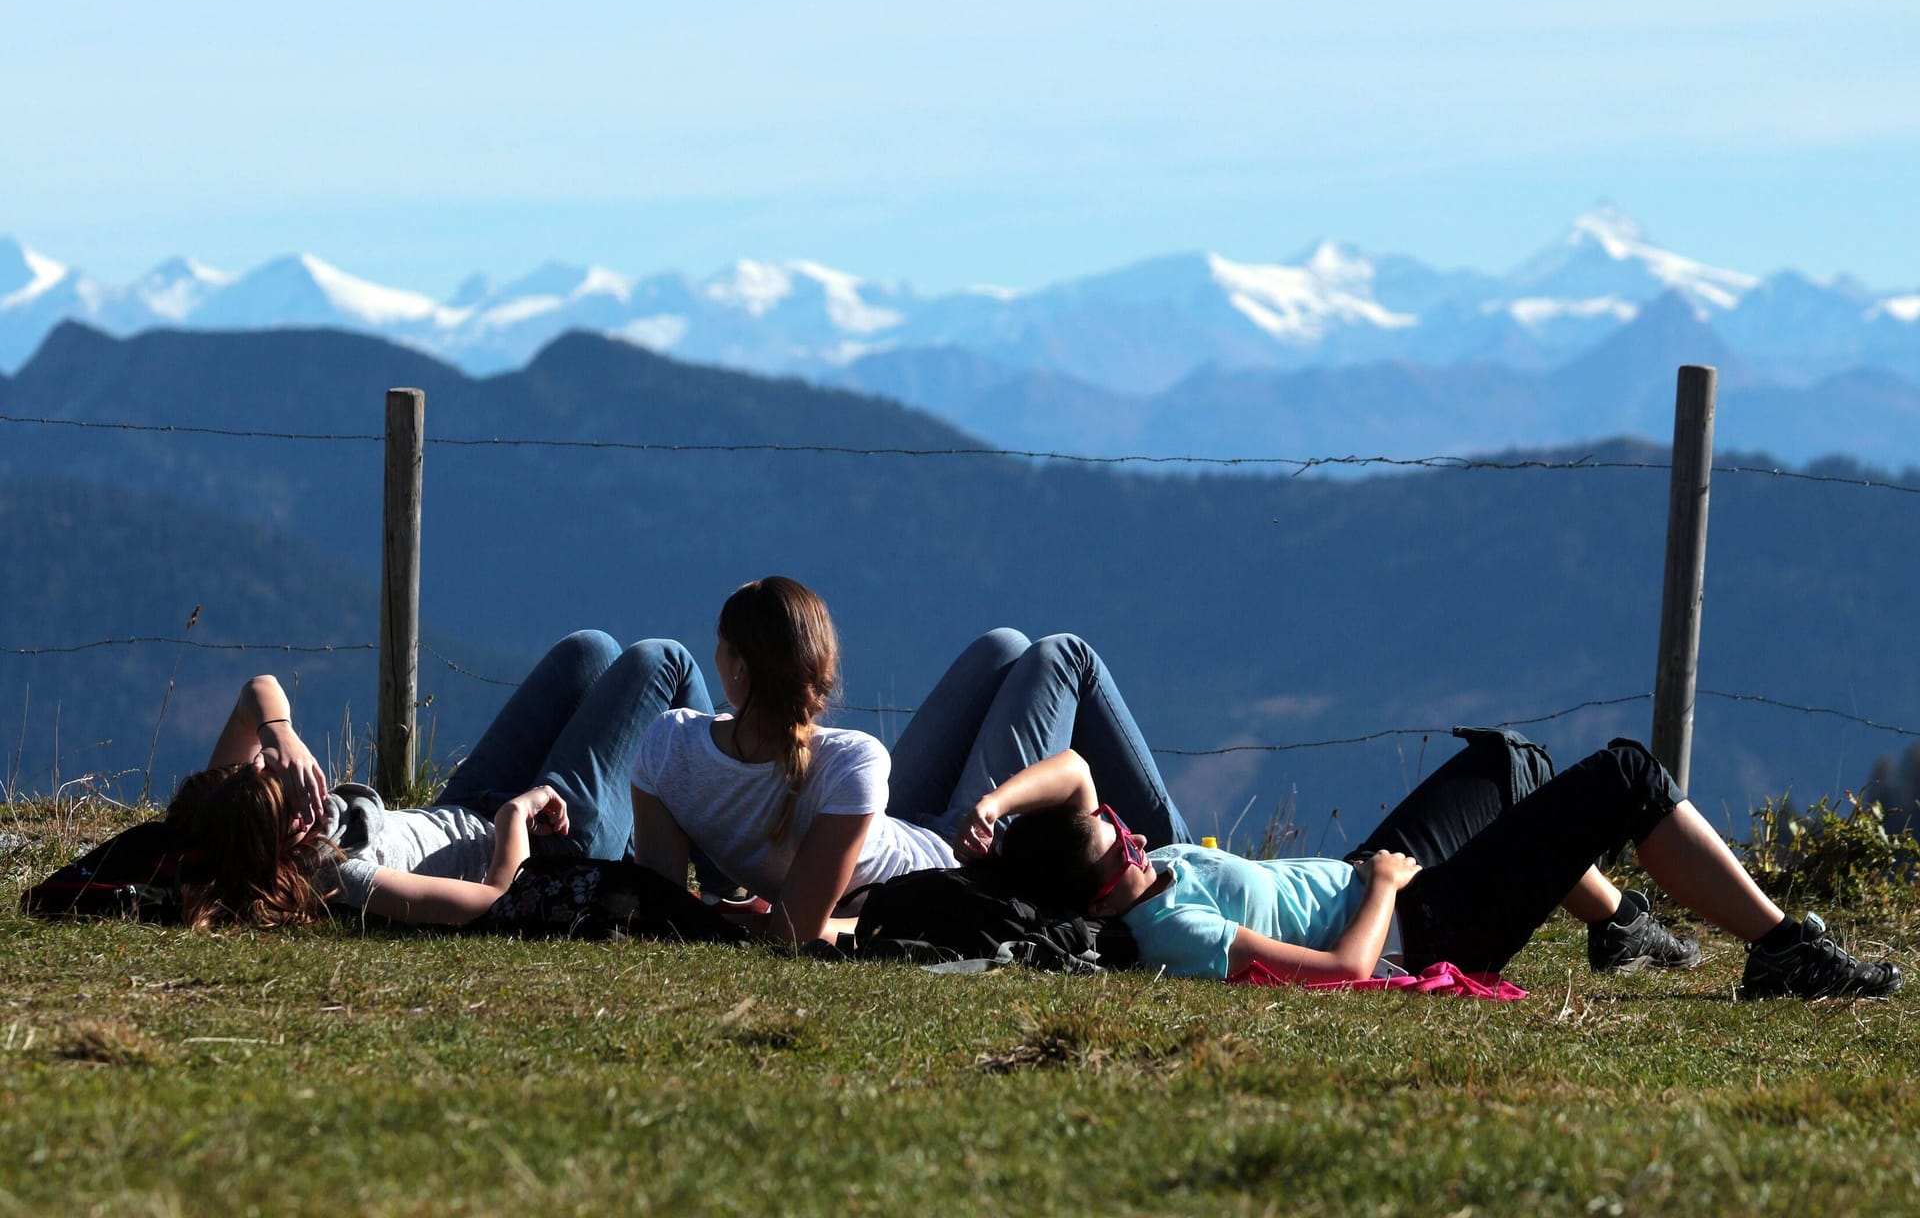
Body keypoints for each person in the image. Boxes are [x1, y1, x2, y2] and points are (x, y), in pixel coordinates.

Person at [989, 735, 1903, 1001]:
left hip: (1366, 879)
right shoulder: (1172, 934)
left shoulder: (1131, 876)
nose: (1134, 833)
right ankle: (1782, 951)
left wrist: (992, 811)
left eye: (1120, 822)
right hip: (1411, 924)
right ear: (1106, 891)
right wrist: (1386, 885)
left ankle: (1618, 927)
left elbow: (1073, 775)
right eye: (1121, 843)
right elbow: (1345, 974)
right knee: (1626, 775)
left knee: (1510, 766)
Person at [630, 577, 1192, 945]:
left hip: (887, 823)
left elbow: (661, 904)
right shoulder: (847, 760)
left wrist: (728, 911)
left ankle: (1174, 865)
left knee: (1003, 646)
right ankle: (1181, 864)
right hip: (949, 859)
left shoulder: (666, 746)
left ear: (740, 671)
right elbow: (798, 933)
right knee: (1061, 655)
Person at [167, 630, 709, 927]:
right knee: (663, 660)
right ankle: (722, 877)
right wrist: (517, 813)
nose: (301, 797)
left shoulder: (226, 814)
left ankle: (653, 840)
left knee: (590, 652)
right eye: (288, 809)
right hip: (546, 848)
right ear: (274, 848)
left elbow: (253, 693)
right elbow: (495, 900)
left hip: (464, 805)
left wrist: (277, 733)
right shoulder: (339, 875)